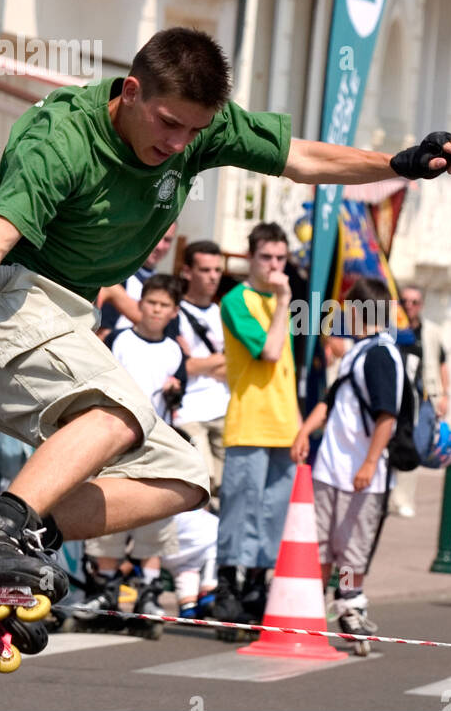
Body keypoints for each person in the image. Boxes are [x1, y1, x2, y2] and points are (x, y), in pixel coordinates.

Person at [0, 25, 451, 612]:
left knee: (183, 476)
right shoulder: (62, 135)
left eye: (194, 129)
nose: (179, 142)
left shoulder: (200, 128)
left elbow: (301, 158)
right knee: (118, 414)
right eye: (169, 123)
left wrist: (397, 164)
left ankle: (8, 542)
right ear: (133, 91)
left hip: (57, 319)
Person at [291, 277, 402, 654]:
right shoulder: (357, 352)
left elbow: (388, 414)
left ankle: (351, 608)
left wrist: (370, 462)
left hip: (362, 475)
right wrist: (306, 430)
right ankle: (312, 613)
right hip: (330, 468)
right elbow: (334, 397)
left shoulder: (382, 355)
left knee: (352, 550)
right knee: (320, 546)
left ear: (357, 311)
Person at [76, 273, 187, 623]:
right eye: (151, 303)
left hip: (155, 441)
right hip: (115, 438)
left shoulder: (173, 352)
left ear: (173, 312)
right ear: (140, 305)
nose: (155, 310)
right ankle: (105, 586)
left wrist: (175, 388)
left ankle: (148, 590)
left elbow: (178, 397)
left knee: (153, 517)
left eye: (164, 306)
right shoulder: (120, 339)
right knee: (108, 508)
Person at [214, 222, 299, 626]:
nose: (274, 266)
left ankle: (257, 588)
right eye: (266, 257)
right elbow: (268, 351)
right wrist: (282, 302)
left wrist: (299, 424)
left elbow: (288, 368)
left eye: (281, 258)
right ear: (251, 257)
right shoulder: (236, 299)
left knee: (272, 513)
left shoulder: (284, 303)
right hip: (250, 420)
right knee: (240, 510)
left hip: (285, 423)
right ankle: (228, 585)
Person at [174, 239, 228, 499]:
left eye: (217, 270)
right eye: (205, 270)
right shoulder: (175, 313)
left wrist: (198, 363)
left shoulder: (223, 313)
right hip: (189, 413)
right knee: (199, 489)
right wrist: (218, 359)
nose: (213, 277)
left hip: (224, 410)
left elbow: (236, 368)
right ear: (187, 271)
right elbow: (180, 366)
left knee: (227, 490)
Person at [391, 284, 449, 518]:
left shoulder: (431, 332)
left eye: (414, 302)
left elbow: (442, 363)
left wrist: (445, 395)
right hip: (394, 393)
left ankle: (404, 499)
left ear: (421, 305)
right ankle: (387, 495)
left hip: (423, 396)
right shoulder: (390, 329)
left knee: (416, 444)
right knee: (388, 442)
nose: (409, 306)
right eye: (404, 301)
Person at [96, 224, 177, 337]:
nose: (159, 246)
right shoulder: (117, 276)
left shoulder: (165, 282)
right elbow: (101, 333)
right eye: (155, 236)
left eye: (167, 240)